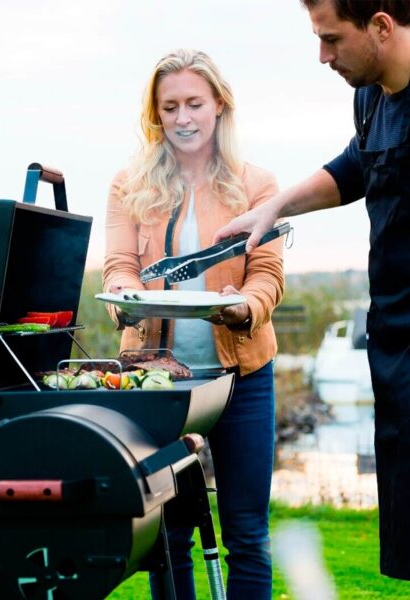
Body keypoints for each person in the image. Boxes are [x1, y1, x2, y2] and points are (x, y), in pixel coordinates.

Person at [214, 0, 410, 582]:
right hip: (394, 341)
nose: (322, 56)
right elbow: (356, 167)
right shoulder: (371, 97)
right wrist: (271, 208)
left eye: (331, 39)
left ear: (380, 25)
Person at [103, 49, 285, 599]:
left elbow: (268, 277)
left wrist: (242, 308)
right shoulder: (129, 184)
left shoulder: (257, 182)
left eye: (194, 104)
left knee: (247, 534)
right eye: (170, 106)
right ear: (155, 114)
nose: (183, 118)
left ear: (219, 106)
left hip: (242, 380)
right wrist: (121, 300)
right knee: (169, 536)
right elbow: (119, 268)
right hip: (159, 383)